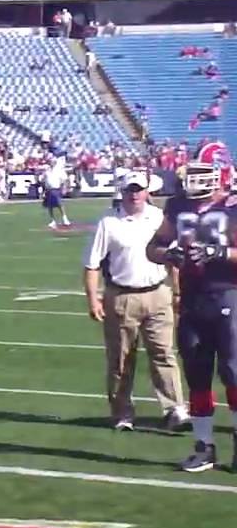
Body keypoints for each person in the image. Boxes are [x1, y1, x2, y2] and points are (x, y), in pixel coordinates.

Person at [147, 142, 237, 472]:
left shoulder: (233, 206)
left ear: (222, 173)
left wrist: (220, 254)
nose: (193, 180)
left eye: (203, 173)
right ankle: (204, 446)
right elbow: (153, 247)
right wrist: (167, 255)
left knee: (233, 372)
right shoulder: (177, 205)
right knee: (197, 376)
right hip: (192, 298)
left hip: (228, 294)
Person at [83, 171, 188, 432]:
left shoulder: (159, 217)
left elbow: (174, 257)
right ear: (122, 191)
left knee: (164, 354)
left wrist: (177, 292)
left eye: (139, 189)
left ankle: (175, 409)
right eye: (130, 189)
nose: (134, 194)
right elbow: (91, 264)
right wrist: (93, 299)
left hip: (157, 292)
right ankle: (122, 413)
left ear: (146, 191)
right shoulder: (108, 222)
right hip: (121, 295)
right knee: (121, 359)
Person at [42, 157, 72, 230]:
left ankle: (65, 218)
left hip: (56, 189)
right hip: (48, 189)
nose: (51, 163)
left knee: (59, 203)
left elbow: (65, 179)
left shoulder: (59, 170)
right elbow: (43, 179)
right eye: (50, 162)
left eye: (52, 162)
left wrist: (65, 188)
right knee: (49, 206)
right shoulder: (47, 170)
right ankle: (52, 220)